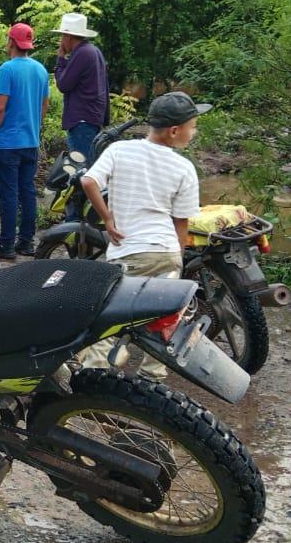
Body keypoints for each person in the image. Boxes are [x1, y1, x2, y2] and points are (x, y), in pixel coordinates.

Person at [76, 91, 211, 379]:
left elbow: (88, 181)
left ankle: (93, 379)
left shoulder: (119, 150)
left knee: (111, 320)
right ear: (175, 131)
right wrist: (179, 258)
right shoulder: (184, 168)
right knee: (165, 322)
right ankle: (152, 379)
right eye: (193, 126)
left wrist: (108, 219)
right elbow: (181, 222)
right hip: (165, 252)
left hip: (129, 251)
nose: (194, 131)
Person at [0, 23, 49, 259]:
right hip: (30, 143)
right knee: (27, 192)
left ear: (11, 41)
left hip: (9, 143)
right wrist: (33, 127)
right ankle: (26, 242)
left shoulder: (7, 69)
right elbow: (44, 106)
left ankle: (6, 245)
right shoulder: (41, 70)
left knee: (9, 195)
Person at [52, 12, 110, 159]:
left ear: (68, 36)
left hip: (82, 122)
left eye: (62, 36)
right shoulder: (93, 51)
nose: (61, 41)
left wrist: (60, 59)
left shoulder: (82, 54)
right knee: (89, 165)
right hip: (92, 118)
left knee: (81, 169)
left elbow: (64, 85)